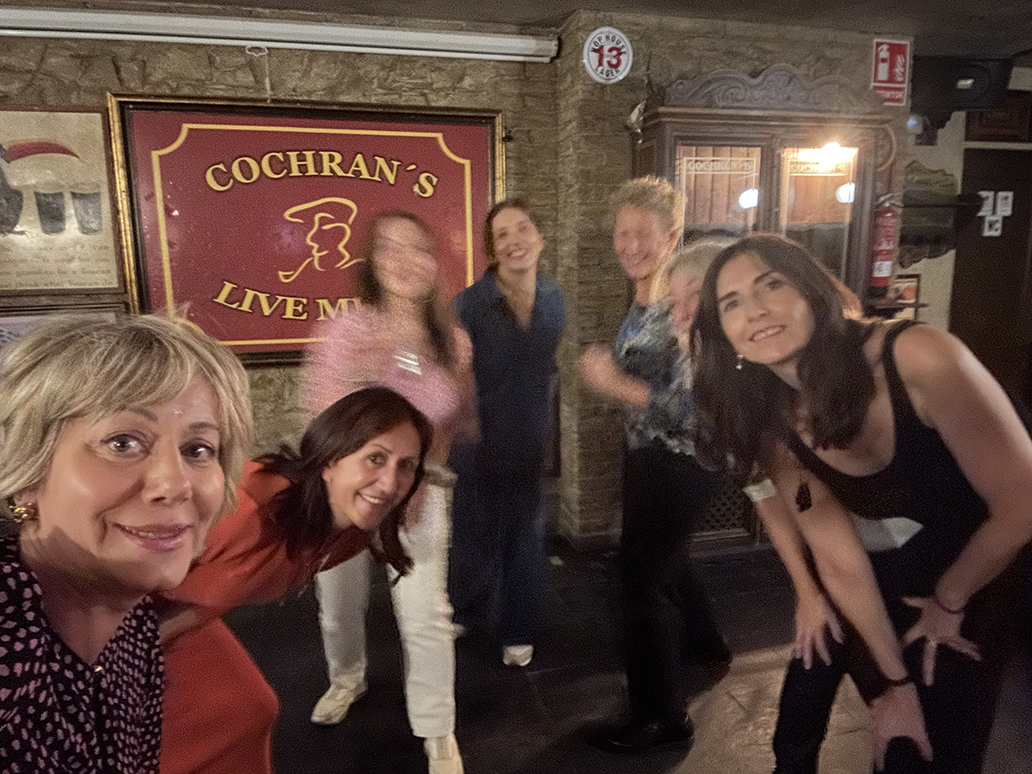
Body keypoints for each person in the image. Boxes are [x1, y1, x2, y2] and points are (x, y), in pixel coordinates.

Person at [691, 233, 1032, 772]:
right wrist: (895, 684)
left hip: (1007, 550)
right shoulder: (776, 420)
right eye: (731, 303)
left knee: (943, 738)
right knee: (898, 721)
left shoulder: (917, 355)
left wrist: (950, 599)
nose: (754, 310)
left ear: (813, 291)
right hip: (924, 552)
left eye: (771, 284)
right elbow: (839, 560)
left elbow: (1022, 507)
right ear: (724, 336)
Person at [0, 314, 253, 774]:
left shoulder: (133, 628)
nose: (175, 484)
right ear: (25, 473)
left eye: (198, 450)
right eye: (122, 443)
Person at [158, 386, 433, 774]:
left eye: (406, 466)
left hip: (170, 612)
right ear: (330, 460)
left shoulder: (347, 537)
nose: (390, 483)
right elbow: (117, 575)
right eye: (375, 458)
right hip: (100, 607)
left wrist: (166, 631)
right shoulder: (243, 511)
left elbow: (215, 596)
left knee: (250, 709)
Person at [302, 210, 471, 774]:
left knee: (426, 613)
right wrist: (362, 369)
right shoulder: (345, 329)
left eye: (416, 247)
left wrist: (423, 476)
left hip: (418, 491)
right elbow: (321, 414)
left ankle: (437, 728)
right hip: (345, 492)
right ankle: (346, 677)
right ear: (372, 263)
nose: (404, 260)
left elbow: (447, 424)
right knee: (338, 599)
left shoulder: (452, 341)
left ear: (433, 262)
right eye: (388, 247)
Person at [576, 177, 729, 755]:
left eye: (643, 233)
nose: (630, 245)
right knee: (668, 558)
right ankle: (705, 641)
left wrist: (614, 383)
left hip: (679, 460)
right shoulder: (644, 295)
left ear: (672, 236)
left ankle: (661, 717)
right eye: (623, 233)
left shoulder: (684, 304)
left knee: (641, 582)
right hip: (650, 452)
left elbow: (701, 407)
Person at [447, 197, 565, 668]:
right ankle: (465, 608)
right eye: (502, 234)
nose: (515, 240)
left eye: (523, 228)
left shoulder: (554, 298)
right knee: (472, 533)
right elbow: (455, 375)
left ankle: (518, 628)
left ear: (540, 236)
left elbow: (547, 366)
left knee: (525, 537)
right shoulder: (469, 304)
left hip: (530, 438)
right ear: (492, 249)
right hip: (476, 440)